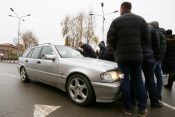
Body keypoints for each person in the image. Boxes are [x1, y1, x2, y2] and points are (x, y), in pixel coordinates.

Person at [107, 2, 148, 116]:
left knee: (124, 80)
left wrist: (117, 50)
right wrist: (139, 49)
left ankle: (128, 108)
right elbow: (146, 39)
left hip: (122, 59)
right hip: (137, 58)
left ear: (122, 8)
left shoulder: (116, 21)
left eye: (120, 9)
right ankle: (142, 109)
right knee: (138, 80)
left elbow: (110, 38)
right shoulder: (141, 20)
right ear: (130, 8)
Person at [142, 23, 162, 108]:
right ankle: (154, 102)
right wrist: (155, 57)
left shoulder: (138, 27)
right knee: (150, 80)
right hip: (149, 57)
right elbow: (157, 44)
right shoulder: (152, 29)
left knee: (137, 79)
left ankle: (139, 101)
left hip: (137, 56)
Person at [149, 21, 166, 99]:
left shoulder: (156, 33)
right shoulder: (162, 33)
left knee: (149, 77)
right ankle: (158, 94)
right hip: (160, 59)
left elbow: (155, 47)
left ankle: (145, 95)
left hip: (154, 59)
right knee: (159, 77)